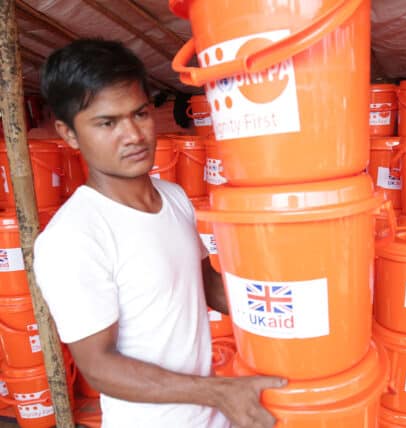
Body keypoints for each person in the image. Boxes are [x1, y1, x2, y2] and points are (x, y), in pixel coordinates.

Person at [33, 38, 285, 428]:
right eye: (107, 123)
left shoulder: (174, 197)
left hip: (214, 415)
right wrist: (217, 391)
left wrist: (286, 306)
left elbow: (205, 284)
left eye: (140, 114)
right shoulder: (73, 238)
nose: (133, 135)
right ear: (68, 134)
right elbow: (98, 366)